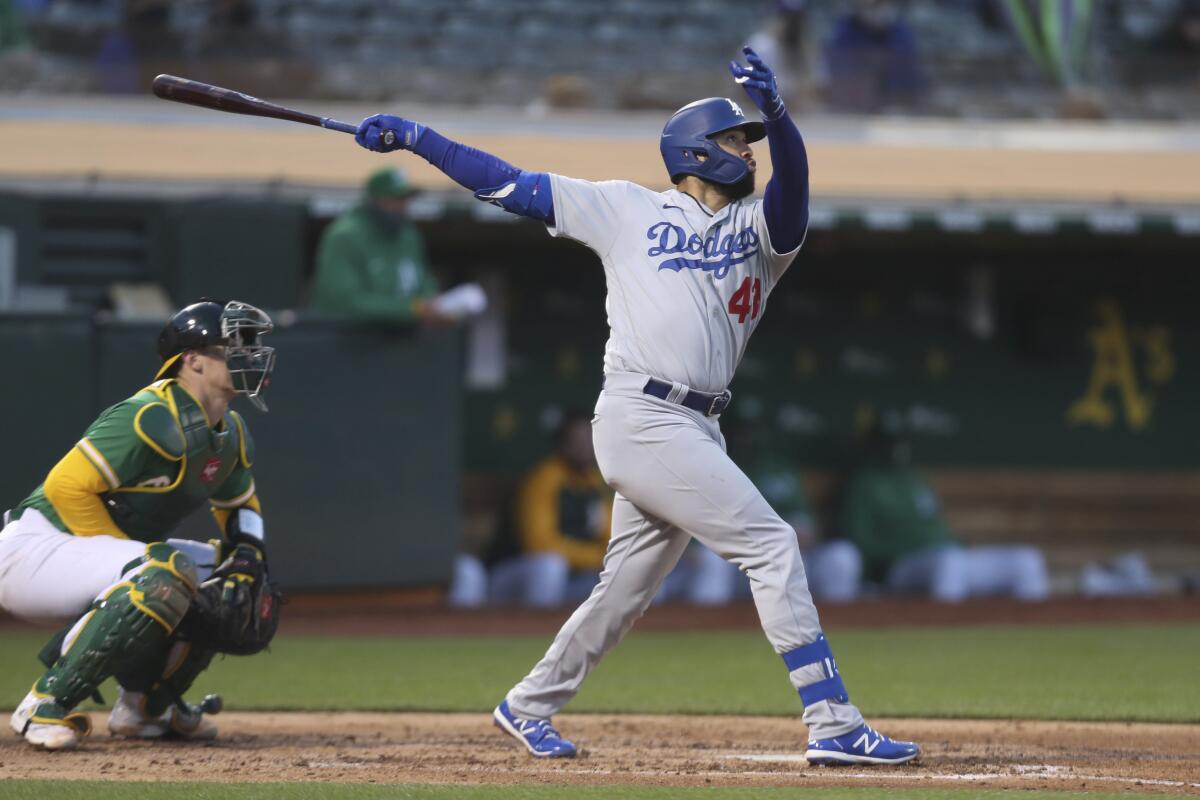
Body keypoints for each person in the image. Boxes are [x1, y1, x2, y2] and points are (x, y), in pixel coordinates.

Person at [353, 47, 918, 766]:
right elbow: (510, 186)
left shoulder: (759, 234)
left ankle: (527, 704)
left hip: (698, 425)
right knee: (771, 544)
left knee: (624, 590)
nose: (749, 153)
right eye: (735, 140)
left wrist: (780, 115)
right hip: (641, 413)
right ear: (693, 152)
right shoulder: (626, 207)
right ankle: (832, 719)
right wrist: (417, 137)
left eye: (750, 142)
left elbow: (795, 192)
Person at [0, 300, 280, 750]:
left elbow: (240, 505)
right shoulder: (150, 416)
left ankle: (147, 706)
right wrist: (136, 568)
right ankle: (45, 704)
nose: (248, 355)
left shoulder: (230, 432)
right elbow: (65, 488)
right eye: (233, 346)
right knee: (164, 571)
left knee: (231, 578)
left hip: (99, 553)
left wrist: (248, 556)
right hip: (35, 548)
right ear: (192, 360)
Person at [839, 423, 1050, 603]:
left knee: (1026, 561)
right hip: (901, 566)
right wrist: (909, 546)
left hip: (946, 554)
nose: (898, 448)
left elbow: (935, 527)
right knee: (950, 562)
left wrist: (952, 541)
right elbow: (860, 543)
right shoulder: (864, 483)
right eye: (891, 442)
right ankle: (945, 639)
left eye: (902, 441)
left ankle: (1036, 640)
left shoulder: (915, 478)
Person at [453, 412, 614, 608]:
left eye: (590, 439)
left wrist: (610, 561)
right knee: (550, 567)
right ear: (561, 443)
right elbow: (540, 545)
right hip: (513, 576)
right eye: (577, 440)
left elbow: (609, 536)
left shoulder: (594, 481)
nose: (585, 446)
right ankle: (538, 631)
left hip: (572, 578)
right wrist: (596, 558)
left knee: (632, 575)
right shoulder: (544, 479)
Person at [310, 167, 447, 324]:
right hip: (348, 339)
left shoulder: (409, 235)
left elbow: (424, 282)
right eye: (395, 199)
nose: (403, 206)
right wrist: (411, 309)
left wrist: (435, 305)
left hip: (404, 340)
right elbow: (344, 302)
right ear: (375, 200)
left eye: (406, 199)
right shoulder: (345, 236)